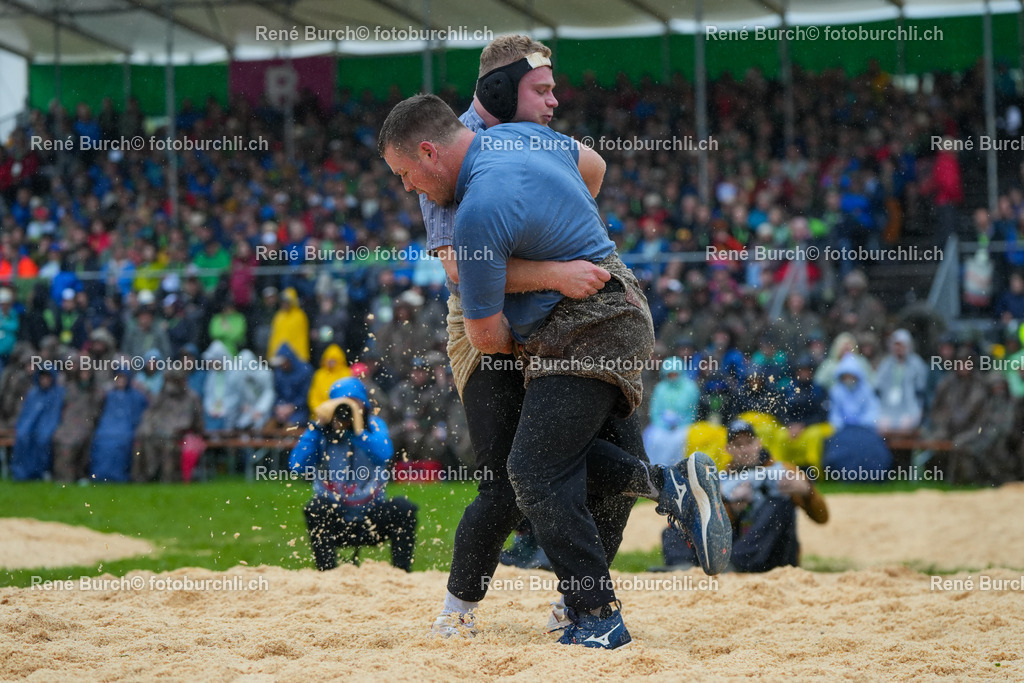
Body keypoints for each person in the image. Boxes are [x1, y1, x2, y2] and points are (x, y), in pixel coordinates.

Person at [380, 93, 731, 649]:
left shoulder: (474, 212)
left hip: (585, 330)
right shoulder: (522, 137)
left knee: (532, 472)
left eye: (405, 174)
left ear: (429, 152)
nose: (408, 189)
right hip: (617, 308)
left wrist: (537, 279)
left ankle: (598, 615)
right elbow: (594, 167)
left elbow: (487, 336)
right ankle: (664, 492)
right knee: (558, 464)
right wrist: (556, 263)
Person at [407, 35, 665, 642]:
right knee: (509, 480)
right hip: (489, 328)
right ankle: (458, 609)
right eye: (542, 91)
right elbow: (458, 269)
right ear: (501, 90)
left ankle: (580, 605)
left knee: (587, 462)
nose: (553, 103)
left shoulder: (525, 139)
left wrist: (554, 238)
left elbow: (594, 168)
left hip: (564, 319)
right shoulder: (452, 148)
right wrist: (553, 270)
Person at [289, 377, 418, 572]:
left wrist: (358, 433)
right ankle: (327, 574)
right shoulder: (320, 432)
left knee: (404, 508)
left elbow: (384, 453)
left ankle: (401, 574)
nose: (346, 412)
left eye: (353, 404)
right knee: (316, 508)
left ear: (365, 407)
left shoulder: (374, 426)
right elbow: (297, 466)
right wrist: (316, 430)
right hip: (335, 517)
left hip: (372, 517)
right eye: (341, 404)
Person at [715, 420, 827, 572]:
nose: (745, 450)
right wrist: (732, 508)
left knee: (779, 503)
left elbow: (822, 518)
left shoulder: (784, 471)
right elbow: (713, 531)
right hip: (739, 551)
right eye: (738, 445)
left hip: (777, 559)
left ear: (758, 443)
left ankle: (734, 563)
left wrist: (807, 491)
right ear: (728, 449)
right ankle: (732, 562)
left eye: (749, 443)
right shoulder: (722, 481)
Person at [133, 369, 204, 483]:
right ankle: (146, 476)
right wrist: (148, 427)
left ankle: (167, 478)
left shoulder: (191, 397)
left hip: (181, 436)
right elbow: (150, 414)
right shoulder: (162, 396)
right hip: (159, 432)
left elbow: (195, 422)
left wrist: (181, 429)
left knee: (168, 445)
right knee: (143, 440)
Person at [90, 369, 149, 482]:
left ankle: (118, 476)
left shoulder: (136, 396)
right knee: (101, 442)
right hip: (106, 428)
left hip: (125, 429)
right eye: (118, 378)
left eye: (123, 378)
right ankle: (100, 475)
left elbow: (139, 414)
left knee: (121, 442)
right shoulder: (108, 395)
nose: (120, 381)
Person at [52, 356, 104, 483]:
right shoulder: (70, 389)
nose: (84, 375)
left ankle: (79, 474)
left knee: (78, 441)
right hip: (68, 424)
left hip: (86, 424)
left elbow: (96, 412)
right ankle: (63, 477)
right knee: (61, 440)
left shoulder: (96, 392)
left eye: (87, 373)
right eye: (82, 372)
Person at [643, 356, 700, 468]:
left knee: (680, 441)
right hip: (661, 425)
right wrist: (662, 423)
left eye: (675, 373)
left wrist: (680, 422)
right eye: (670, 374)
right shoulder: (660, 388)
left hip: (683, 426)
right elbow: (654, 410)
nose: (673, 377)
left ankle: (677, 469)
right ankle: (653, 467)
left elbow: (692, 412)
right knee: (653, 438)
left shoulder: (690, 388)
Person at [11, 369, 64, 480]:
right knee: (22, 437)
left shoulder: (58, 393)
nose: (45, 380)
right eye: (43, 377)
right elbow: (26, 414)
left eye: (47, 377)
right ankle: (21, 473)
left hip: (47, 426)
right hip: (30, 425)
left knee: (42, 439)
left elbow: (54, 415)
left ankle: (40, 472)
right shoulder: (33, 393)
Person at [874, 329, 928, 434]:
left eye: (901, 345)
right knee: (882, 425)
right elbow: (878, 386)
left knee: (906, 426)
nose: (898, 348)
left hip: (909, 407)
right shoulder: (886, 364)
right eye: (896, 345)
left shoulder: (916, 364)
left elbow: (920, 390)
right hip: (887, 407)